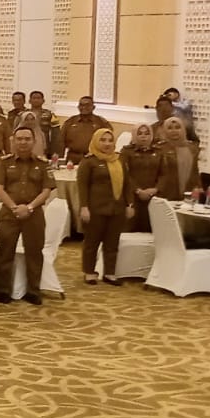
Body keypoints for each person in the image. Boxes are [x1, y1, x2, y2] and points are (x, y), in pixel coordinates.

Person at [0, 128, 53, 305]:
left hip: (34, 214)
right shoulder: (4, 163)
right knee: (5, 252)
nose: (23, 142)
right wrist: (14, 207)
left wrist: (30, 207)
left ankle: (33, 290)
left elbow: (46, 190)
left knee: (34, 253)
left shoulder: (42, 164)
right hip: (9, 213)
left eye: (27, 139)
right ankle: (3, 290)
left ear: (33, 141)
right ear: (13, 141)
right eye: (19, 139)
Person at [78, 128, 132, 285]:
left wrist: (129, 204)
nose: (107, 144)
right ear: (96, 141)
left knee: (112, 242)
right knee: (91, 242)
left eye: (110, 140)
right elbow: (82, 186)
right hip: (95, 208)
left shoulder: (119, 160)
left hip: (117, 208)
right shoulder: (89, 162)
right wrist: (84, 207)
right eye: (103, 140)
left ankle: (109, 272)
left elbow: (127, 184)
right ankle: (89, 272)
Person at [122, 123, 163, 233]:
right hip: (132, 196)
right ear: (134, 135)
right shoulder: (126, 151)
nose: (143, 136)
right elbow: (125, 174)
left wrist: (154, 190)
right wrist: (138, 190)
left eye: (147, 133)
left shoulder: (159, 151)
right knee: (130, 229)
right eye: (140, 133)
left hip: (155, 196)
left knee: (152, 228)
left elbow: (165, 174)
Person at [156, 116, 201, 200]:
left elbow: (195, 171)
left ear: (183, 129)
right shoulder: (159, 149)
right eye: (170, 128)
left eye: (178, 127)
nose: (174, 131)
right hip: (166, 194)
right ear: (164, 131)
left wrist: (199, 187)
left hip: (189, 193)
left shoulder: (193, 148)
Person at [61, 96, 111, 164]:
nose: (84, 107)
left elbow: (109, 141)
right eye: (81, 105)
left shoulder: (101, 123)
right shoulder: (70, 121)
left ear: (93, 107)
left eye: (87, 105)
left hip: (93, 158)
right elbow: (61, 141)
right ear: (78, 107)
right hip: (73, 158)